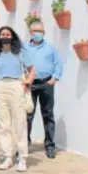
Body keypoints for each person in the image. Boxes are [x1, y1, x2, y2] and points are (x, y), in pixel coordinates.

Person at [0, 26, 35, 172]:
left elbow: (32, 70)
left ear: (12, 36)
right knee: (3, 124)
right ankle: (8, 156)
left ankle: (22, 158)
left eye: (7, 33)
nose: (5, 35)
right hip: (1, 87)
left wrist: (27, 82)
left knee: (20, 122)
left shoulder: (20, 52)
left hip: (16, 85)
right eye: (2, 34)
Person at [26, 21, 62, 159]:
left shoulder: (50, 48)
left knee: (48, 115)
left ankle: (50, 146)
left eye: (40, 31)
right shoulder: (24, 48)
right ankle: (25, 144)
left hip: (46, 84)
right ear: (30, 32)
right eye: (35, 31)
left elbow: (58, 64)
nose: (37, 33)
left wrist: (54, 79)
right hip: (30, 85)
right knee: (27, 116)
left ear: (44, 33)